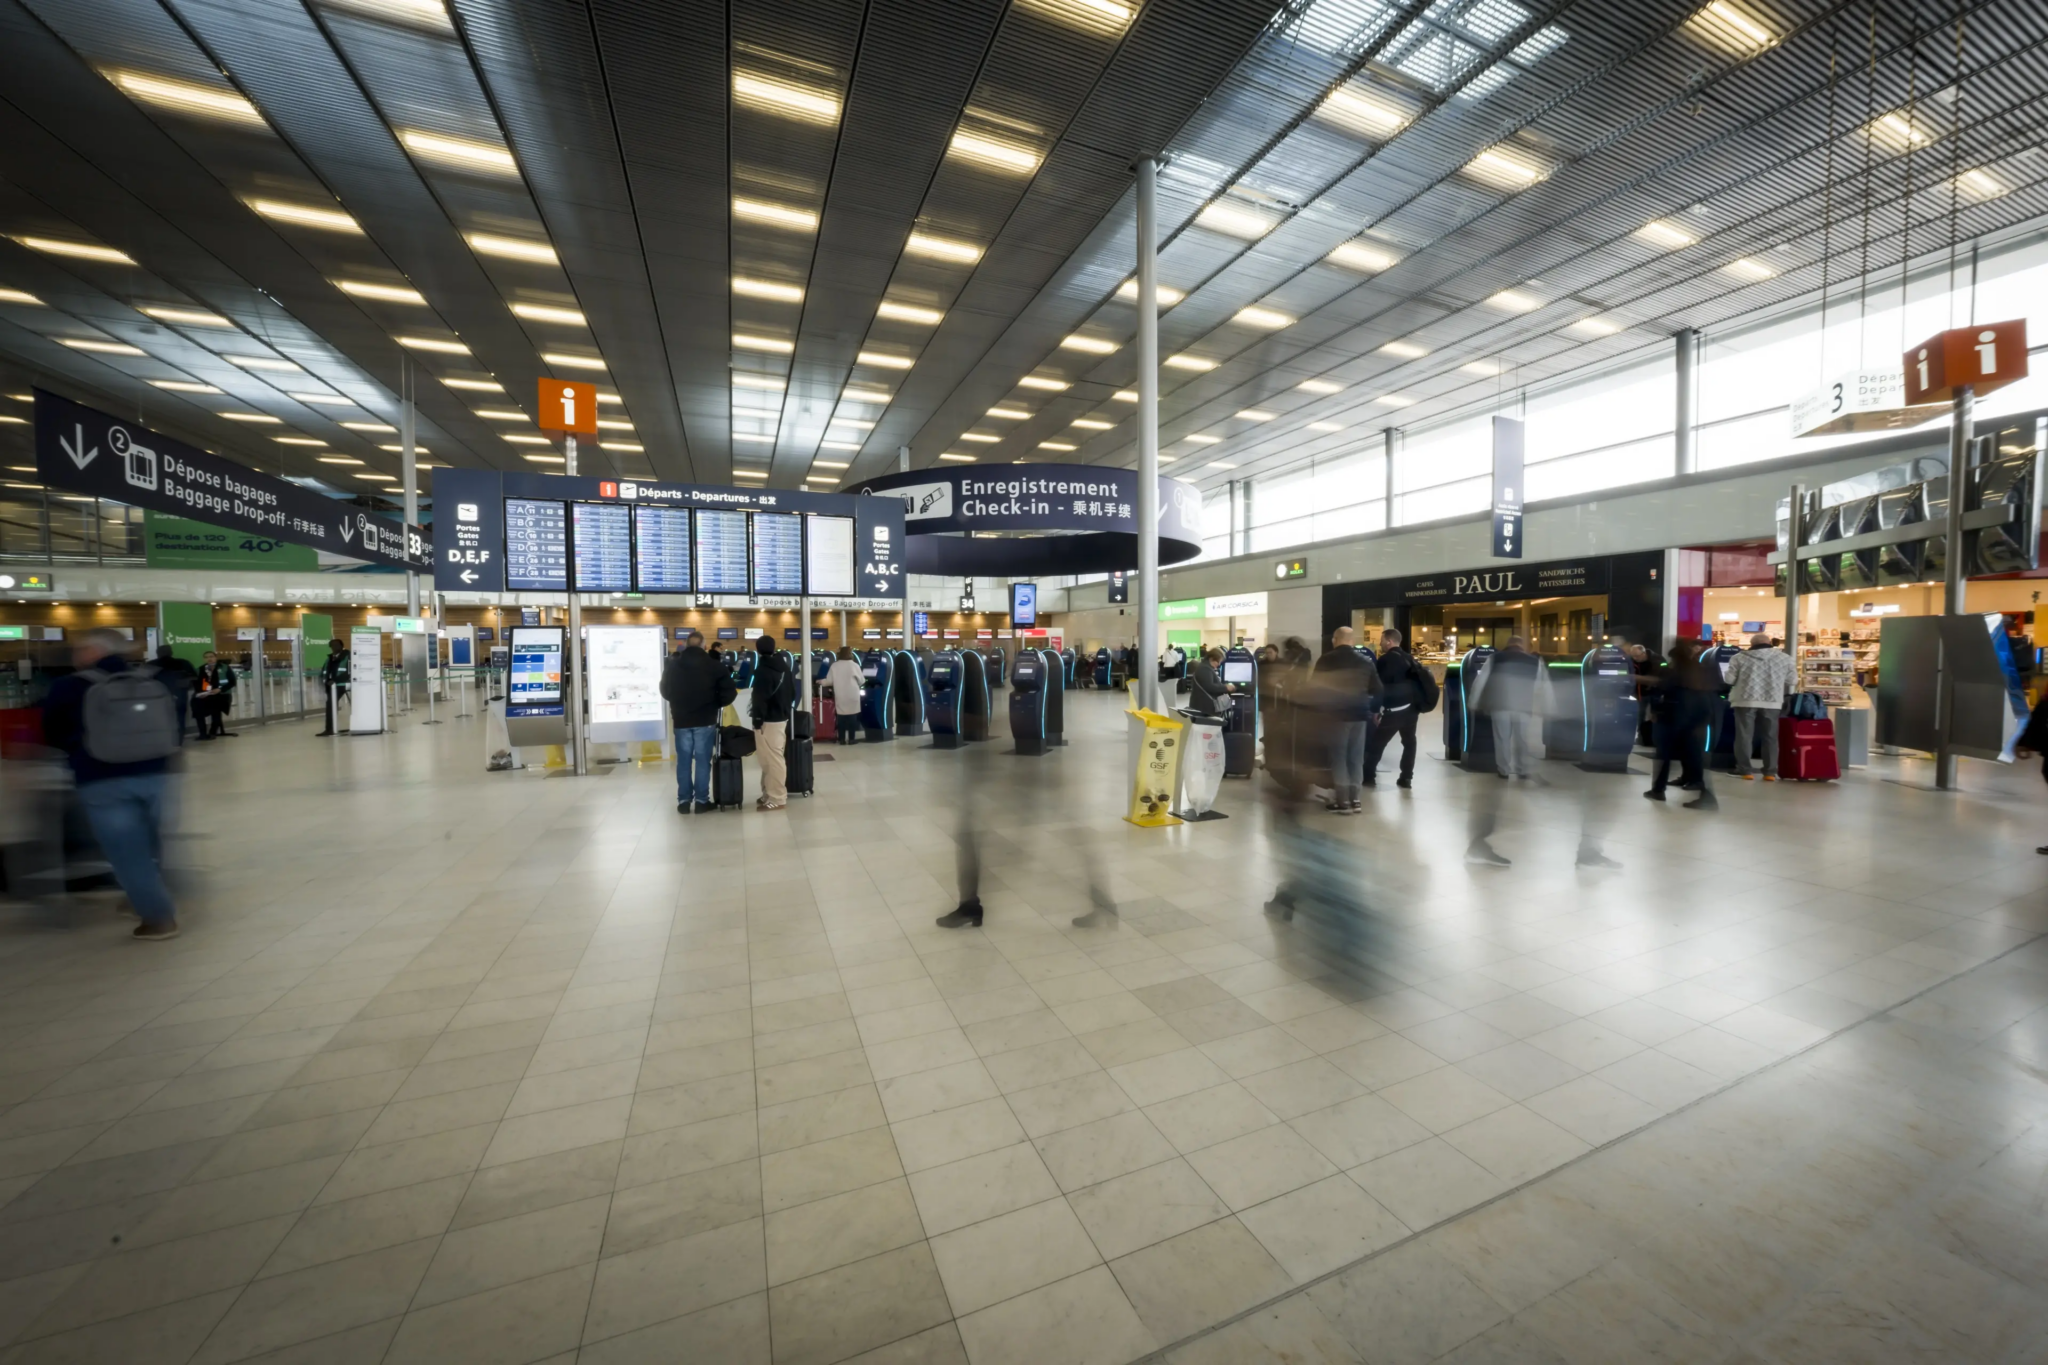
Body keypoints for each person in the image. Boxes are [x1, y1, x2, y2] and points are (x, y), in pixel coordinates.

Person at [42, 630, 182, 940]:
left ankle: (158, 919)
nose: (76, 656)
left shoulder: (70, 686)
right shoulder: (151, 679)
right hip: (159, 773)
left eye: (80, 649)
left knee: (127, 852)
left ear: (93, 651)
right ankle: (139, 899)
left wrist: (76, 750)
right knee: (152, 843)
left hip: (102, 778)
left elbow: (51, 731)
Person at [661, 630, 732, 813]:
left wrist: (676, 703)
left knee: (683, 762)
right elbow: (728, 692)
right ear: (704, 645)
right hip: (705, 719)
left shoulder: (673, 665)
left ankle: (684, 802)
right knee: (702, 761)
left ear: (685, 644)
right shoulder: (714, 665)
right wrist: (716, 703)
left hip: (681, 720)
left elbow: (665, 690)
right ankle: (701, 801)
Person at [1312, 627, 1380, 814]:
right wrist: (1372, 709)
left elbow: (1314, 689)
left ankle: (1343, 801)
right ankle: (1356, 799)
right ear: (1352, 640)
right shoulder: (1366, 662)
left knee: (1339, 758)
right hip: (1359, 716)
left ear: (1335, 640)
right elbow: (1378, 689)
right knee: (1356, 758)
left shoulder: (1326, 660)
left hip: (1336, 717)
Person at [1647, 638, 1717, 809]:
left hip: (1674, 717)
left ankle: (1658, 789)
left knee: (1664, 755)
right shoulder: (1702, 671)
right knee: (1695, 755)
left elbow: (1662, 692)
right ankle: (1704, 793)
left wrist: (1655, 710)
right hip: (1699, 717)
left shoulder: (1673, 674)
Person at [1471, 635, 1542, 780]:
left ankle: (1504, 770)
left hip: (1500, 705)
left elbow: (1480, 681)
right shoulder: (1534, 662)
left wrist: (1473, 701)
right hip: (1524, 706)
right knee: (1522, 739)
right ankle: (1522, 769)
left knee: (1502, 738)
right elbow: (1540, 686)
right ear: (1523, 645)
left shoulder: (1495, 658)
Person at [1726, 631, 1794, 780]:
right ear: (1769, 643)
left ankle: (1745, 770)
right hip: (1772, 701)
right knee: (1770, 736)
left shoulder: (1738, 658)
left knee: (1744, 736)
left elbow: (1729, 680)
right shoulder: (1785, 658)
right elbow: (1792, 681)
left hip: (1745, 700)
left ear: (1752, 644)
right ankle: (1770, 772)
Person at [1365, 629, 1422, 789]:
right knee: (1409, 742)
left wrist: (1376, 710)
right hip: (1411, 710)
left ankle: (1368, 776)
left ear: (1389, 641)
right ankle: (1406, 778)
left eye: (1382, 640)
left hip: (1393, 710)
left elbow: (1379, 687)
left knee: (1378, 743)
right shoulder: (1409, 658)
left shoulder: (1385, 660)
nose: (1380, 643)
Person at [749, 635, 793, 811]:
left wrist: (757, 719)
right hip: (781, 717)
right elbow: (793, 693)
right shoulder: (784, 667)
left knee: (772, 759)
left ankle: (777, 798)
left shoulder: (762, 670)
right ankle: (768, 793)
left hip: (768, 720)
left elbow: (759, 698)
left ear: (758, 649)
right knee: (769, 758)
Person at [153, 645, 198, 743]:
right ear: (171, 652)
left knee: (159, 720)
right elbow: (194, 678)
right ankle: (178, 741)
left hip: (157, 698)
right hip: (180, 696)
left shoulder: (150, 665)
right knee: (180, 719)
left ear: (157, 653)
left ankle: (162, 741)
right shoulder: (183, 663)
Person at [192, 650, 237, 739]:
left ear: (215, 658)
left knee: (216, 709)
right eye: (207, 657)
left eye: (211, 657)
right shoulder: (200, 669)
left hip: (222, 695)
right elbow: (196, 684)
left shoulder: (224, 668)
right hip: (206, 695)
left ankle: (212, 732)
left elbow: (232, 682)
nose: (209, 659)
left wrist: (220, 689)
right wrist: (201, 693)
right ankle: (203, 733)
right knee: (196, 705)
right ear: (204, 659)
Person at [827, 647, 866, 746]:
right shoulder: (855, 665)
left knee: (841, 718)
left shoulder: (834, 666)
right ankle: (852, 739)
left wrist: (820, 681)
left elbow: (829, 681)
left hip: (840, 694)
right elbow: (862, 681)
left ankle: (842, 739)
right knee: (852, 717)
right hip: (852, 694)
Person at [317, 638, 348, 735]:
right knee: (330, 705)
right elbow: (324, 672)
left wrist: (335, 680)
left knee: (330, 704)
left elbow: (349, 672)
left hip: (342, 685)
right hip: (331, 686)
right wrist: (326, 681)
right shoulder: (329, 658)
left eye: (336, 645)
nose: (334, 647)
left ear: (341, 646)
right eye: (332, 646)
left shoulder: (347, 656)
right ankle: (330, 728)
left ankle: (330, 729)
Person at [1187, 646, 1230, 718]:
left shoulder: (1206, 667)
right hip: (1204, 709)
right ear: (1212, 658)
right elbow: (1210, 687)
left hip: (1203, 707)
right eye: (1218, 661)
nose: (1219, 664)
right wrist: (1226, 687)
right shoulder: (1205, 669)